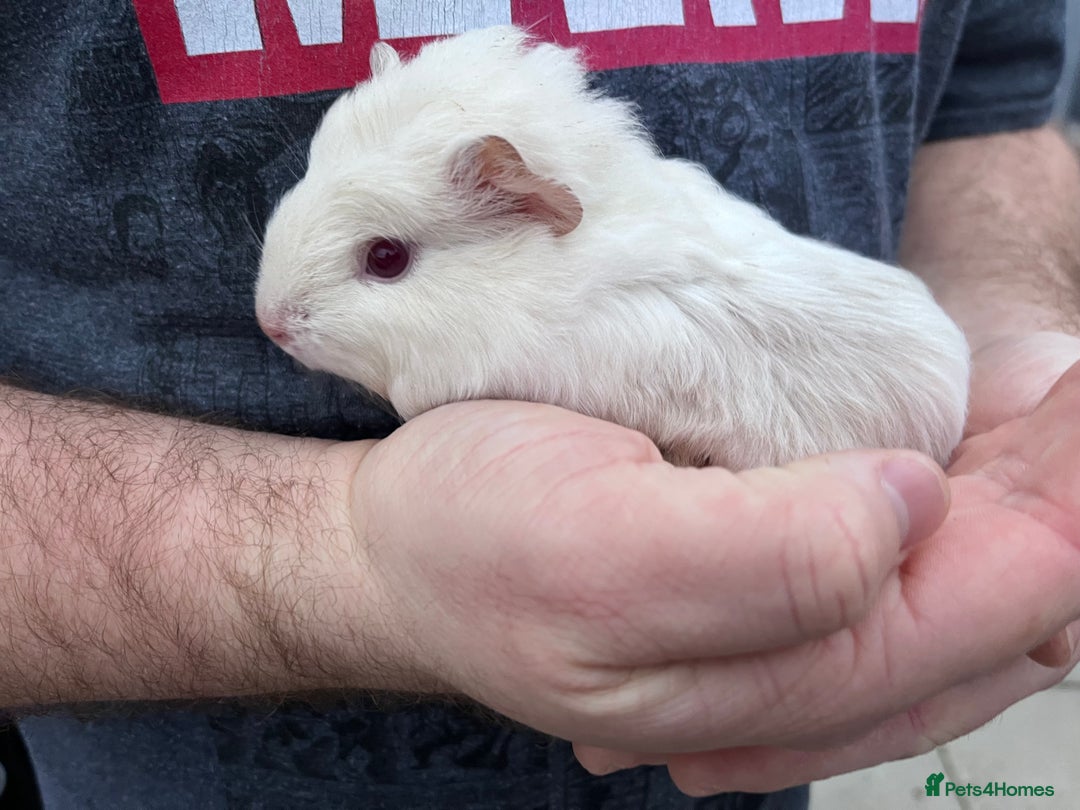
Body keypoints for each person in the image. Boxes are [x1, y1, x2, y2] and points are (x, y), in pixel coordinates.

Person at [2, 0, 1079, 807]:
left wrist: (1029, 338)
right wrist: (350, 556)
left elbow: (992, 108)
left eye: (385, 258)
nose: (275, 320)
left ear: (524, 202)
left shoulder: (593, 307)